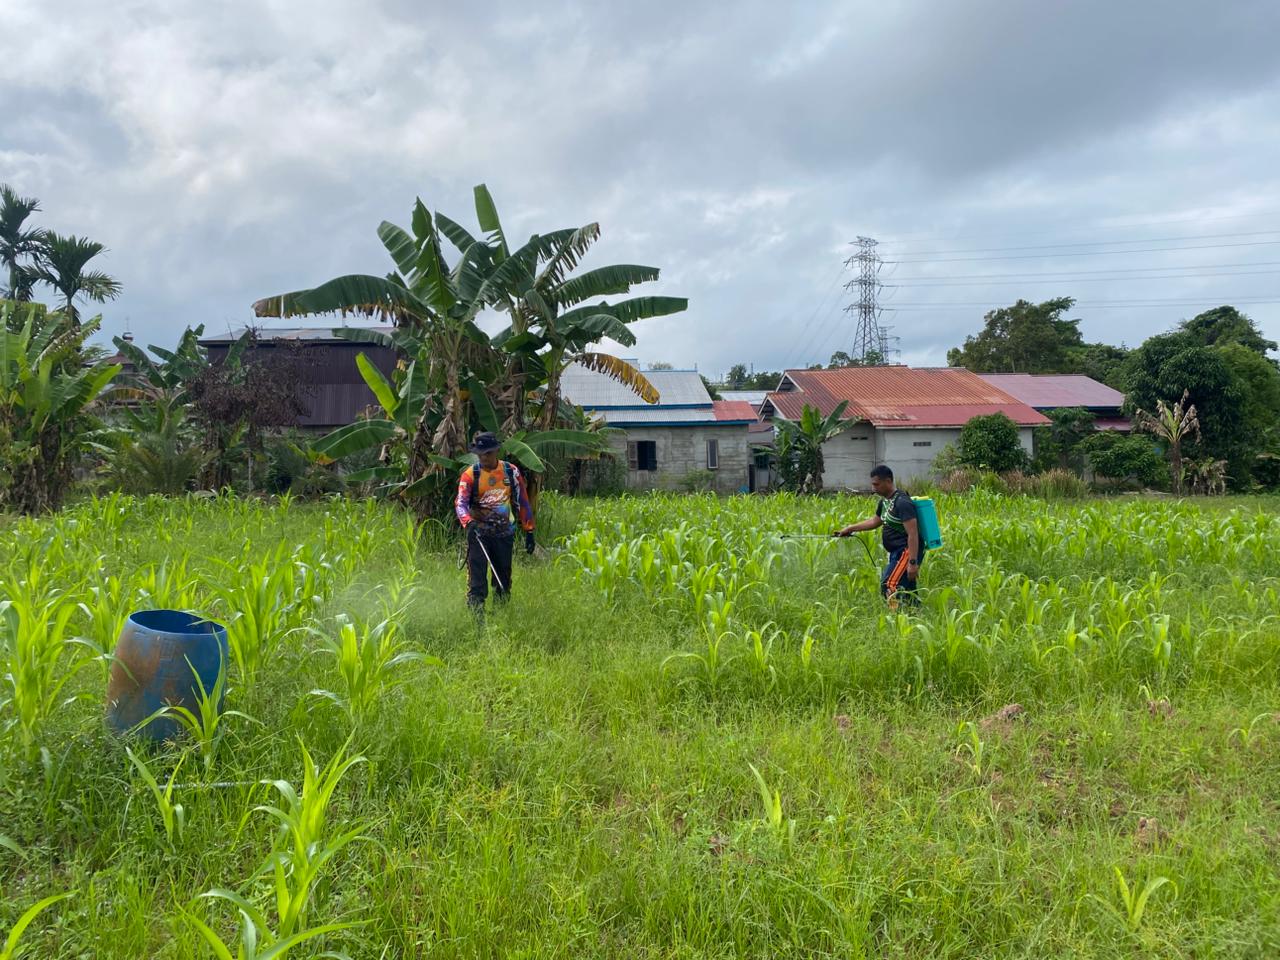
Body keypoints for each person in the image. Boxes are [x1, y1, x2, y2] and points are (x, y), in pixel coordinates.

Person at [455, 432, 535, 613]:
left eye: (488, 453)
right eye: (480, 454)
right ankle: (477, 617)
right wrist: (468, 522)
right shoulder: (470, 475)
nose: (484, 457)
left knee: (503, 579)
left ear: (497, 451)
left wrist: (529, 530)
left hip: (504, 534)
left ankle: (501, 614)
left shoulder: (510, 472)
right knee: (477, 580)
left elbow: (522, 501)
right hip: (478, 535)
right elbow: (460, 503)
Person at [833, 464, 922, 609]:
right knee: (907, 586)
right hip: (896, 552)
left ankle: (896, 617)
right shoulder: (885, 501)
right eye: (873, 484)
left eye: (876, 484)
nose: (873, 488)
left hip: (906, 551)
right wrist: (850, 529)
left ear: (888, 481)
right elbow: (875, 521)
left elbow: (913, 534)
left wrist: (913, 563)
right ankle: (915, 613)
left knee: (889, 585)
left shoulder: (902, 502)